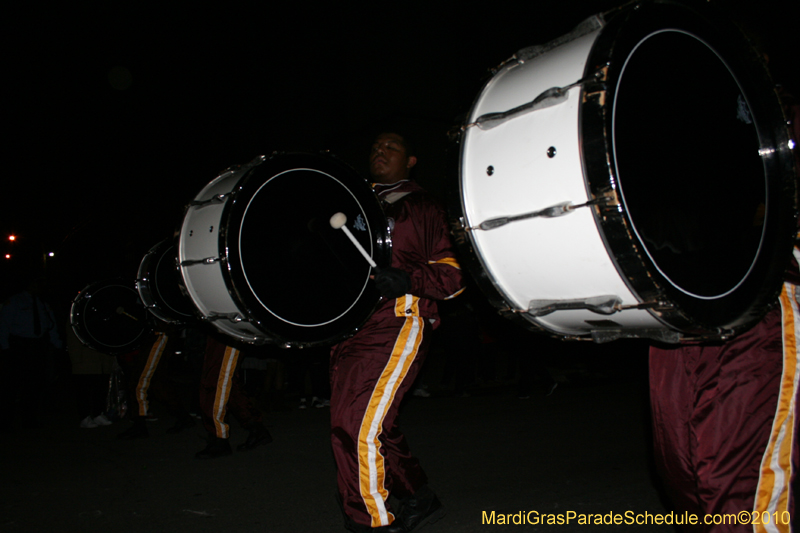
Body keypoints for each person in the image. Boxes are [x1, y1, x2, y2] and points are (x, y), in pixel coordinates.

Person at [647, 82, 800, 531]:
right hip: (687, 300)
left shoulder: (782, 110)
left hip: (767, 302)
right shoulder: (685, 110)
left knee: (747, 490)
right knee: (687, 468)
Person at [330, 132, 464, 532]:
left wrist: (407, 278)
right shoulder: (354, 206)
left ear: (411, 161)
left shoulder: (421, 206)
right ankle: (420, 496)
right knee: (376, 425)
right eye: (374, 146)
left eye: (391, 147)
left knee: (353, 427)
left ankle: (370, 520)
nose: (379, 150)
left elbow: (453, 275)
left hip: (397, 321)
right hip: (348, 328)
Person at [195, 335, 272, 459]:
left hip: (227, 327)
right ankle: (256, 428)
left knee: (217, 378)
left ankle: (218, 437)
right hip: (219, 325)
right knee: (227, 383)